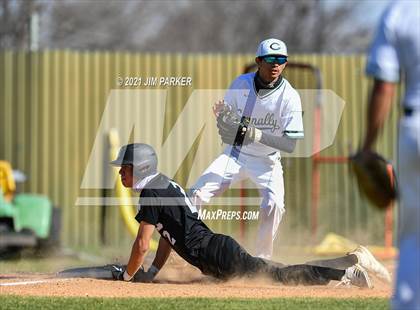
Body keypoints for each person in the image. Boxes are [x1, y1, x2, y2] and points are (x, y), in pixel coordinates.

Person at [109, 143, 390, 288]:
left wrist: (129, 276)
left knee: (280, 277)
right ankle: (352, 259)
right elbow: (166, 235)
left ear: (142, 168)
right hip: (216, 253)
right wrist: (155, 270)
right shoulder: (162, 185)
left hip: (217, 253)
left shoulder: (151, 194)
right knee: (277, 271)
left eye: (125, 168)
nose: (121, 172)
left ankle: (346, 274)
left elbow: (143, 244)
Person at [191, 38, 304, 259]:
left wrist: (257, 134)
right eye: (270, 59)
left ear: (285, 63)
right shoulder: (240, 84)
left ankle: (262, 261)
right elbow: (226, 127)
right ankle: (190, 251)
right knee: (196, 193)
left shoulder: (290, 97)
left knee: (273, 205)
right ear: (258, 61)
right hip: (236, 155)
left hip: (267, 161)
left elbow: (290, 144)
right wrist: (223, 118)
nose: (275, 64)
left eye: (281, 59)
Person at [360, 1, 420, 309]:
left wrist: (368, 146)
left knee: (413, 234)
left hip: (415, 127)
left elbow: (384, 86)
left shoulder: (400, 11)